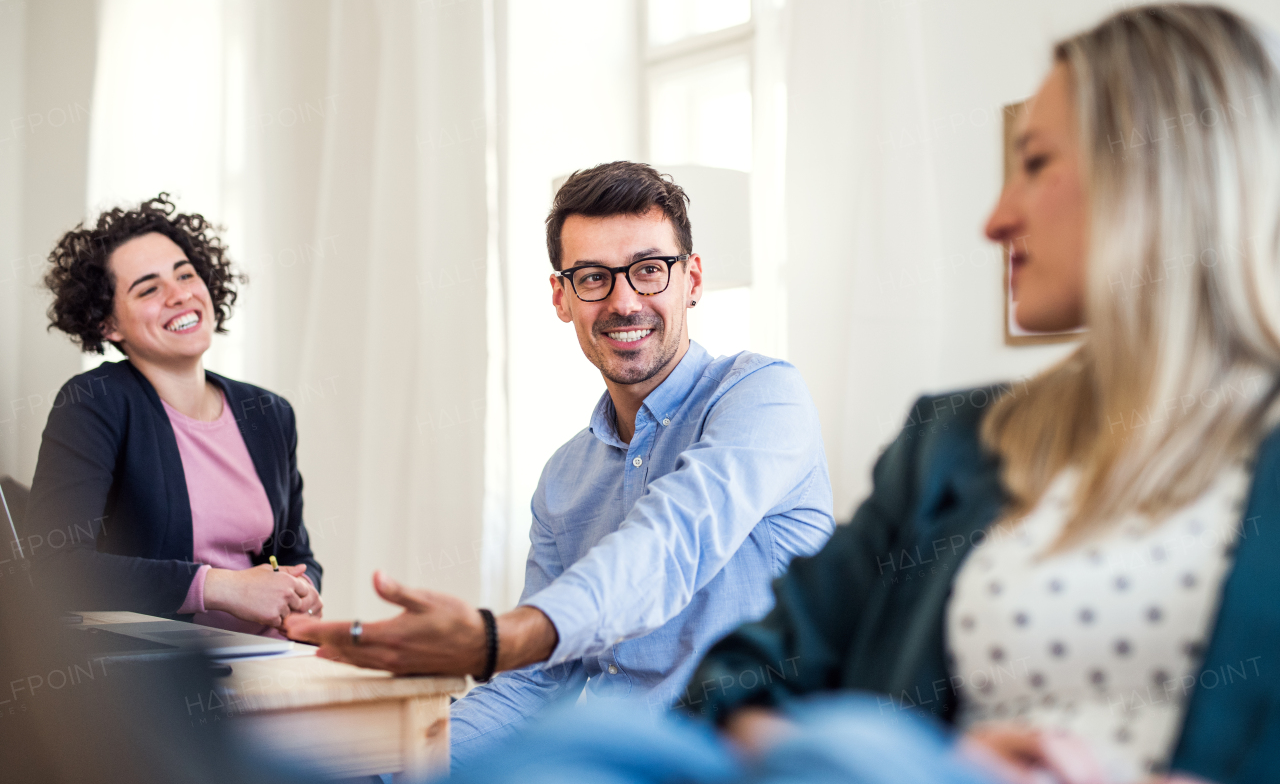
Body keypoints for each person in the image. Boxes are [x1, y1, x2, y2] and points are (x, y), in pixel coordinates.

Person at [680, 4, 1280, 784]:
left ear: (1156, 174)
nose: (995, 220)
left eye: (1034, 163)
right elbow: (727, 685)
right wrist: (923, 764)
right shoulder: (951, 444)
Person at [286, 161, 835, 765]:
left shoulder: (763, 394)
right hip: (603, 757)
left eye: (649, 270)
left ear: (692, 280)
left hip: (753, 759)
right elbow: (534, 683)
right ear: (562, 297)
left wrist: (499, 637)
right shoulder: (564, 478)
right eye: (594, 278)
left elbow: (671, 543)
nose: (625, 302)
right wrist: (399, 770)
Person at [25, 194, 323, 634]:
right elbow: (57, 568)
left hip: (273, 660)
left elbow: (297, 555)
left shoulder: (269, 412)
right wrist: (220, 587)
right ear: (108, 324)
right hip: (158, 683)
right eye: (148, 288)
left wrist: (303, 590)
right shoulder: (93, 402)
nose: (179, 294)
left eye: (186, 275)